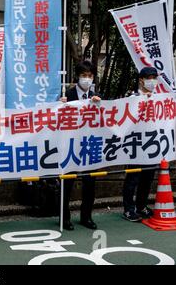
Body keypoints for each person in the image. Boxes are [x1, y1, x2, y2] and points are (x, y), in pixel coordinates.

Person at [59, 60, 101, 231]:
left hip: (90, 145)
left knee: (90, 184)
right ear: (77, 76)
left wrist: (99, 105)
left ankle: (86, 217)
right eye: (84, 75)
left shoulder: (96, 97)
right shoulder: (67, 96)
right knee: (67, 183)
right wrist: (60, 105)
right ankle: (65, 218)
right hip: (69, 145)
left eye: (90, 76)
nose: (87, 79)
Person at [122, 66, 158, 222]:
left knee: (148, 178)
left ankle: (141, 206)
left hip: (152, 143)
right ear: (141, 80)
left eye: (154, 78)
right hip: (135, 144)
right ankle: (128, 209)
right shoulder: (132, 97)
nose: (151, 81)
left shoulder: (159, 99)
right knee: (133, 178)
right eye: (148, 78)